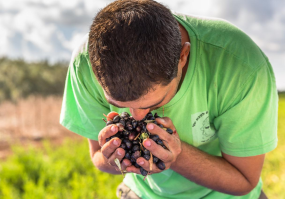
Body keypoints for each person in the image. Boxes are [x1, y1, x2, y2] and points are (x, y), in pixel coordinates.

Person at [60, 0, 278, 198]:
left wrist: (177, 157)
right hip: (144, 193)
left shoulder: (242, 66)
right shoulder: (84, 65)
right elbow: (98, 158)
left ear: (183, 57)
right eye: (119, 105)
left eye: (155, 103)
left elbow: (244, 181)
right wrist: (117, 160)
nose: (136, 117)